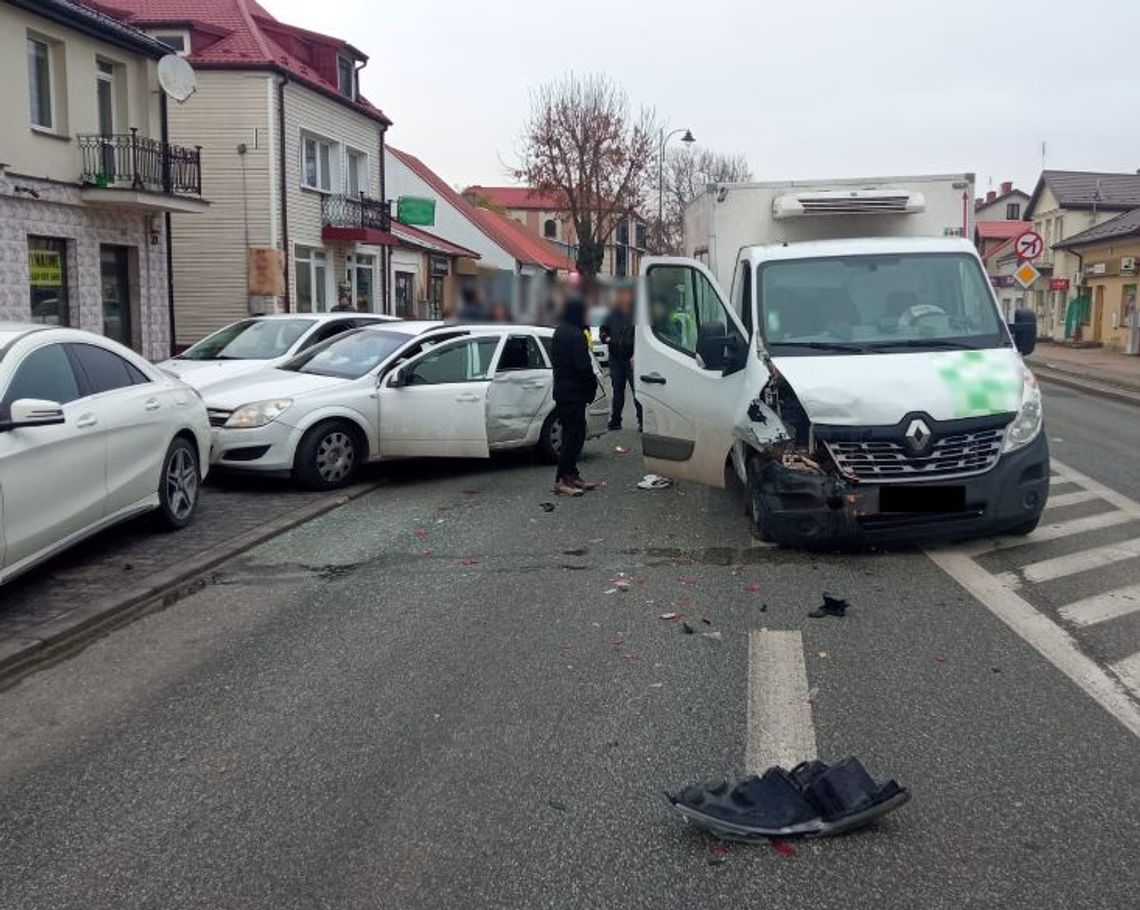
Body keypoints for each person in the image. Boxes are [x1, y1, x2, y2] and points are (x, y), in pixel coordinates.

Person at [550, 295, 599, 496]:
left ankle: (572, 474)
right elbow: (583, 366)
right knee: (574, 437)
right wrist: (592, 385)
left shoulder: (559, 331)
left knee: (572, 434)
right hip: (574, 393)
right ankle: (562, 479)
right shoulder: (576, 334)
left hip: (562, 392)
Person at [600, 283, 642, 432]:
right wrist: (606, 338)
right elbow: (603, 330)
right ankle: (615, 421)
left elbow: (643, 336)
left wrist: (637, 353)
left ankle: (641, 421)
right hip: (615, 358)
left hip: (631, 357)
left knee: (637, 391)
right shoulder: (612, 313)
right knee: (617, 390)